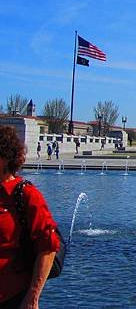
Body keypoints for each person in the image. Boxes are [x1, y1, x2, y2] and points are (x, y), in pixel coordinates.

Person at [0, 125, 60, 308]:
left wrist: (33, 296)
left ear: (4, 158)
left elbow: (48, 247)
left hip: (11, 296)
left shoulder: (25, 194)